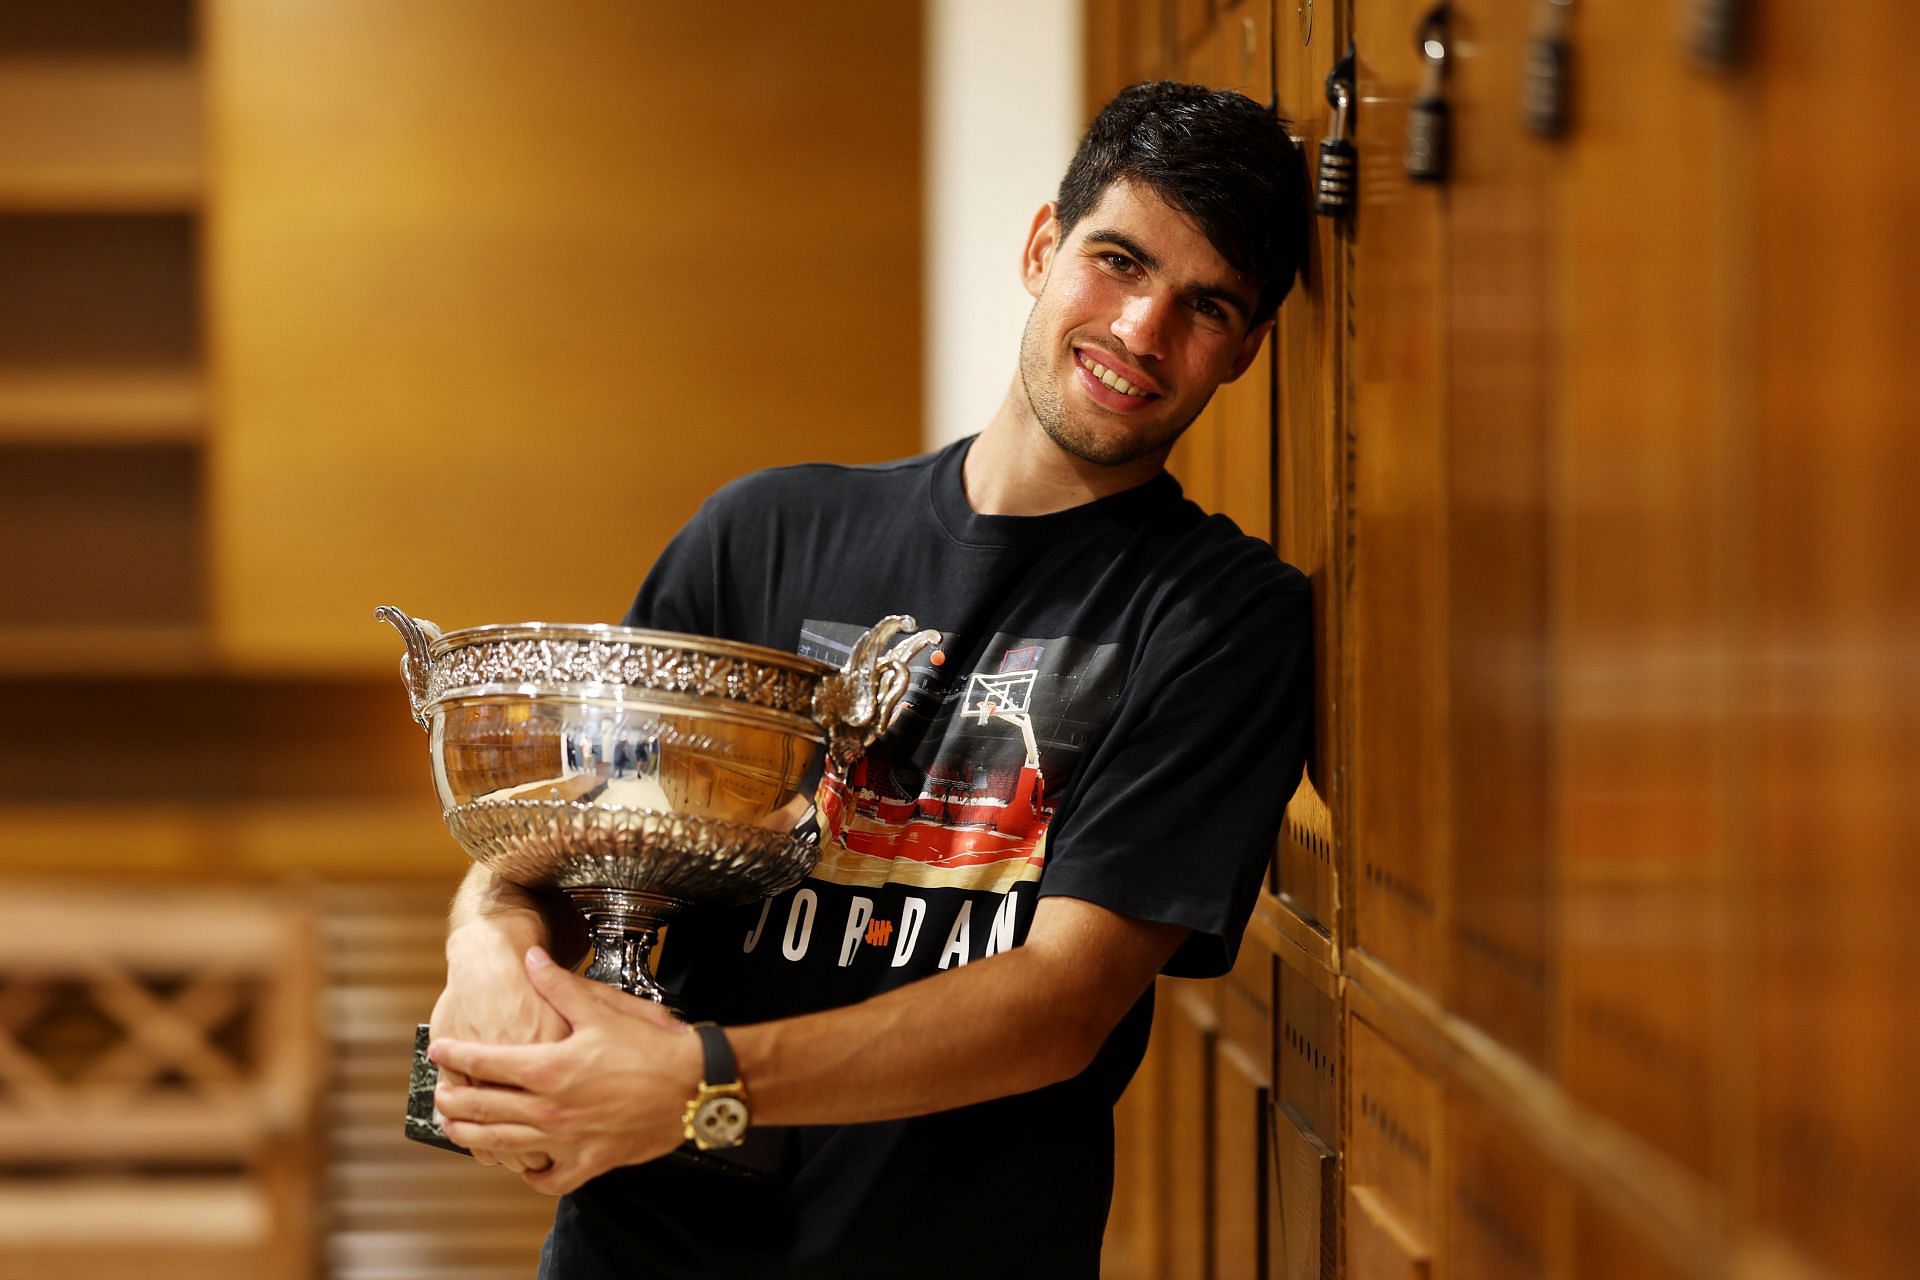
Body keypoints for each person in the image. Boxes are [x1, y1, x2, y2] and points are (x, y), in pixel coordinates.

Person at [427, 80, 1313, 1278]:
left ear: (1246, 349)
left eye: (1205, 305)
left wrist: (700, 1083)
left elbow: (1062, 1001)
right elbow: (564, 848)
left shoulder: (1221, 617)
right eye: (1118, 260)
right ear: (1043, 246)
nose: (1142, 331)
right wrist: (488, 955)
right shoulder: (763, 533)